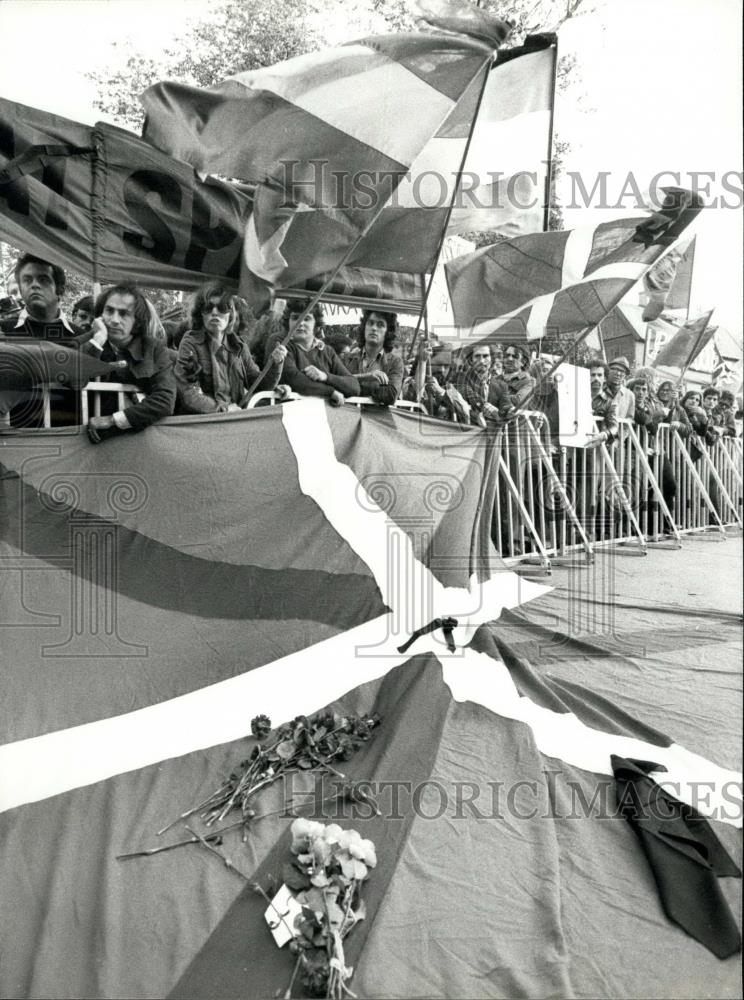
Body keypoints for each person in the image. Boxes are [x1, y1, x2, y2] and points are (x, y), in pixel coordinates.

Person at [174, 282, 287, 414]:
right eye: (208, 307)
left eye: (222, 307)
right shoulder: (190, 342)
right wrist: (223, 410)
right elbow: (188, 392)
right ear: (200, 314)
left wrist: (276, 363)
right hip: (201, 421)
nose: (215, 312)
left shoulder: (239, 346)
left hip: (234, 419)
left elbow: (259, 385)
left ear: (230, 314)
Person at [83, 283, 177, 442]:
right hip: (86, 443)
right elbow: (70, 381)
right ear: (100, 314)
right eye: (109, 311)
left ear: (137, 322)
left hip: (138, 441)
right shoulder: (85, 342)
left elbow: (165, 399)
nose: (114, 320)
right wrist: (97, 343)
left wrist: (113, 420)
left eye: (123, 314)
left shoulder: (154, 349)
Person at [270, 298, 359, 405]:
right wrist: (330, 392)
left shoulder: (327, 351)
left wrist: (325, 376)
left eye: (306, 318)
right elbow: (294, 379)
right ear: (288, 321)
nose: (300, 323)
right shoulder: (280, 342)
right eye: (295, 318)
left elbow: (354, 386)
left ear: (316, 324)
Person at [2, 253, 80, 342]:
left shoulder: (82, 338)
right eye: (27, 280)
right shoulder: (4, 331)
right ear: (20, 288)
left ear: (60, 289)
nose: (34, 285)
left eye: (43, 280)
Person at [345, 309, 403, 406]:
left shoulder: (395, 362)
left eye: (380, 325)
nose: (374, 328)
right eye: (370, 323)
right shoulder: (347, 358)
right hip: (348, 416)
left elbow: (390, 395)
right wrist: (367, 376)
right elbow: (335, 383)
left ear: (388, 332)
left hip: (377, 419)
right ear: (364, 327)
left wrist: (352, 385)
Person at [587, 363, 619, 445]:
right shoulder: (577, 398)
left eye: (599, 375)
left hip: (596, 446)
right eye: (593, 375)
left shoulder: (610, 402)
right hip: (574, 447)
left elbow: (614, 426)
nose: (596, 378)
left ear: (604, 378)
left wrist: (605, 434)